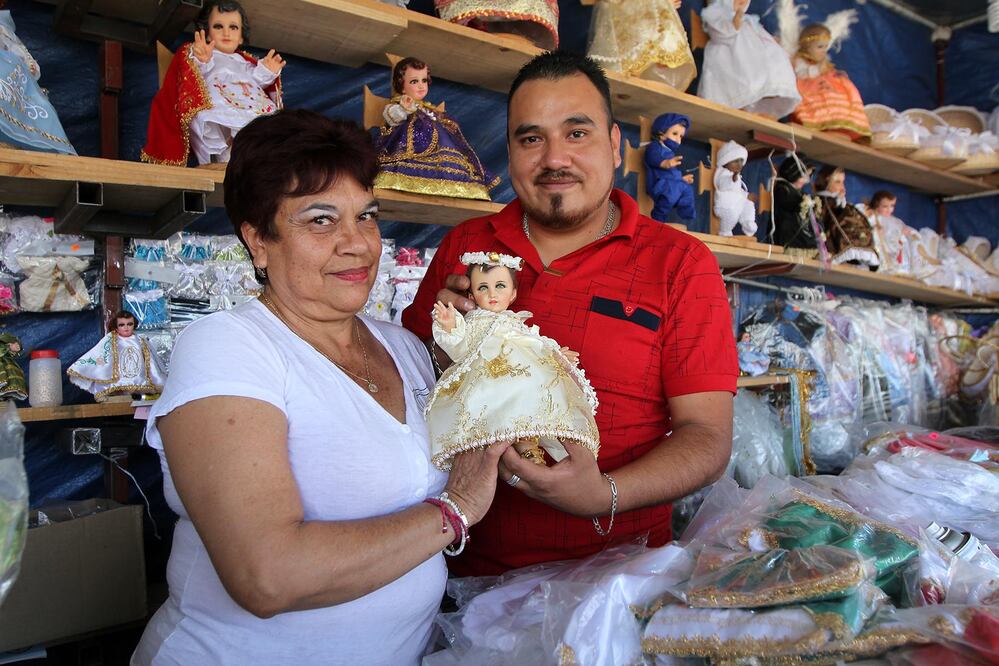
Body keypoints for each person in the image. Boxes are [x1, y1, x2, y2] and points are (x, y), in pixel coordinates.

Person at [132, 110, 509, 665]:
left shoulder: (405, 349)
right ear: (258, 240)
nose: (357, 244)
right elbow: (268, 577)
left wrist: (474, 340)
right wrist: (456, 508)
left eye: (368, 215)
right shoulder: (228, 349)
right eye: (320, 220)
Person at [402, 51, 737, 576]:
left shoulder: (681, 264)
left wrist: (603, 493)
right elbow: (410, 393)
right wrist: (441, 344)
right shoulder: (465, 247)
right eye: (531, 138)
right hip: (460, 571)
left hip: (613, 582)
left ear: (615, 144)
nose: (554, 158)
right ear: (509, 150)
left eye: (576, 133)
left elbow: (708, 437)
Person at [426, 250, 599, 470]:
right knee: (492, 413)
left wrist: (557, 357)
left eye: (500, 286)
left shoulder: (514, 322)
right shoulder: (473, 322)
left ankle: (529, 448)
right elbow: (460, 351)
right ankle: (497, 456)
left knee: (531, 397)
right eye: (482, 288)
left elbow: (535, 345)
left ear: (513, 294)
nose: (492, 294)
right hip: (487, 379)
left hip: (518, 375)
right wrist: (450, 327)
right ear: (471, 296)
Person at [141, 0, 284, 166]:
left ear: (241, 37)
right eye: (218, 26)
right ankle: (224, 158)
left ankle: (253, 157)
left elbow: (257, 80)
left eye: (233, 27)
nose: (226, 33)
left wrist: (267, 71)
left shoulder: (244, 61)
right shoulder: (207, 54)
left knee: (260, 126)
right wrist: (201, 59)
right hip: (220, 98)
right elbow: (193, 73)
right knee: (213, 117)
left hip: (247, 101)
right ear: (207, 33)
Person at [374, 56, 498, 200]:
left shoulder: (429, 109)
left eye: (424, 80)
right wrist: (405, 110)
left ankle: (452, 179)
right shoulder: (399, 104)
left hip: (439, 147)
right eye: (414, 81)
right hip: (411, 149)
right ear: (401, 84)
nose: (421, 86)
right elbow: (392, 117)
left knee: (451, 145)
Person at [697, 0, 799, 119]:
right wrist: (735, 22)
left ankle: (761, 107)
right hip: (733, 55)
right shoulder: (716, 14)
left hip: (755, 55)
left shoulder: (749, 19)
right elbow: (720, 34)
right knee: (748, 79)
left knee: (775, 65)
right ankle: (743, 105)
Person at [67, 311, 167, 401]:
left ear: (134, 325)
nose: (126, 327)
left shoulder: (140, 340)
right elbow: (99, 352)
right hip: (118, 377)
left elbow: (151, 360)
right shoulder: (111, 339)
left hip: (139, 376)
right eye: (122, 325)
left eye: (129, 324)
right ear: (116, 327)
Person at [645, 112, 696, 222]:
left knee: (687, 189)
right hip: (658, 184)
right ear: (662, 134)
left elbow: (671, 174)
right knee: (670, 194)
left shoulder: (670, 153)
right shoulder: (655, 147)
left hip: (670, 183)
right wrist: (665, 163)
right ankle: (658, 218)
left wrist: (681, 179)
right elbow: (651, 157)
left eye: (681, 136)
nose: (678, 139)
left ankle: (686, 213)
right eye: (674, 134)